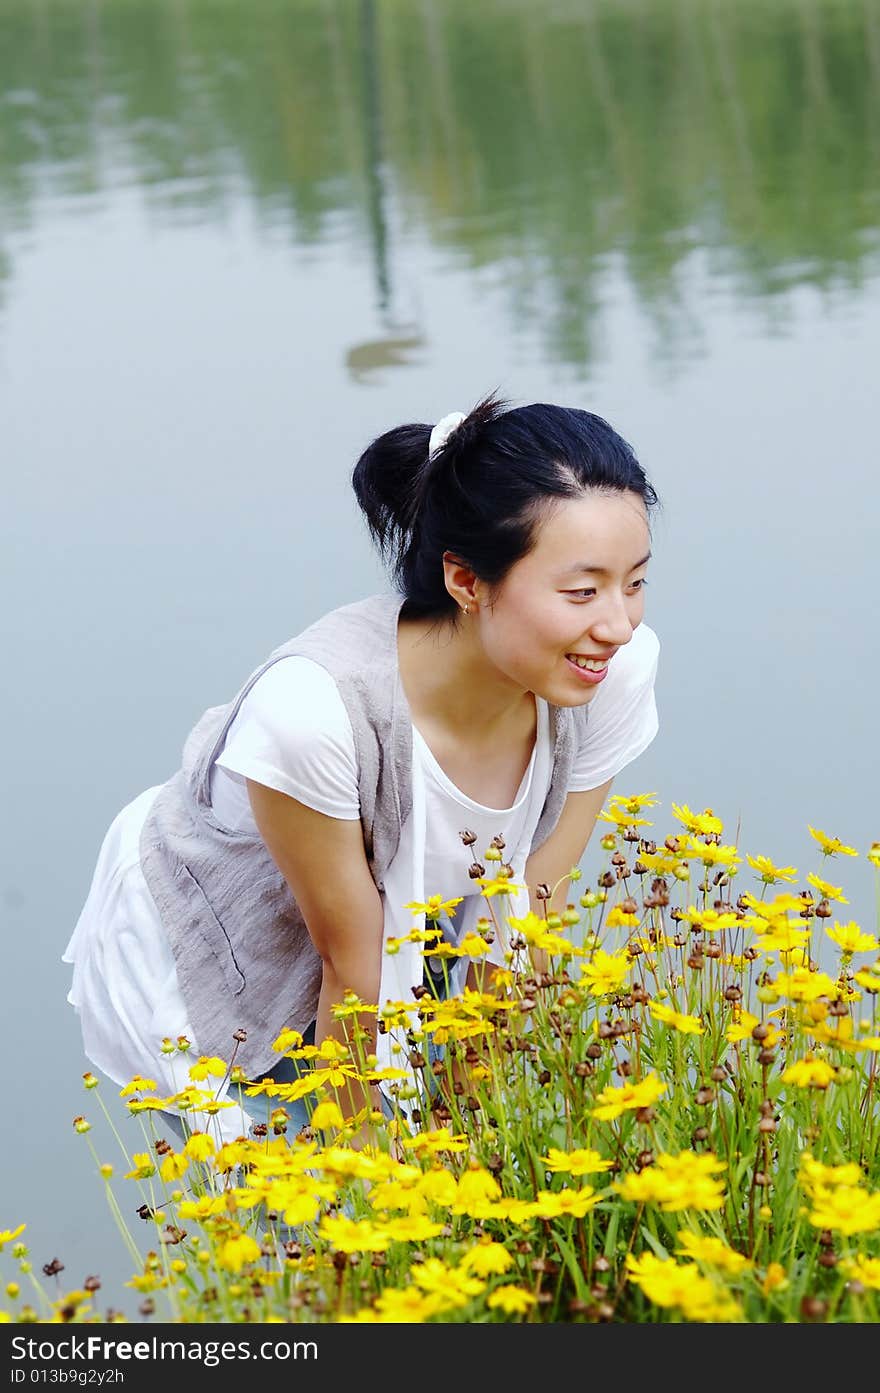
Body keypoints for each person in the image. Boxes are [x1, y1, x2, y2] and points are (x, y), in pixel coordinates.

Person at [63, 391, 661, 1146]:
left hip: (398, 922)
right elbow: (352, 970)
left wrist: (467, 1134)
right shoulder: (315, 713)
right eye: (582, 591)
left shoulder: (608, 672)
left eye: (634, 582)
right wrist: (370, 1188)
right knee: (289, 1230)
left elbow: (532, 904)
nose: (617, 624)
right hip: (225, 947)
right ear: (467, 581)